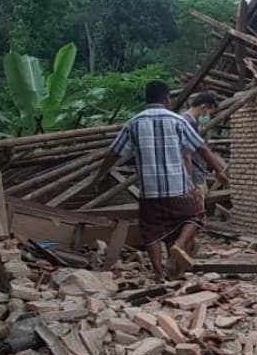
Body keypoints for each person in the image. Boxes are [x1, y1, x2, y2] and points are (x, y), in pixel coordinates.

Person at [93, 81, 230, 281]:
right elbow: (201, 147)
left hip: (149, 191)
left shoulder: (133, 123)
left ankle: (158, 274)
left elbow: (113, 152)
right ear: (167, 99)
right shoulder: (178, 121)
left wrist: (100, 175)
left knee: (151, 232)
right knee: (195, 217)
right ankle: (179, 244)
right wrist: (219, 170)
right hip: (178, 188)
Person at [181, 92, 218, 214]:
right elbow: (186, 155)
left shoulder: (191, 122)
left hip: (195, 173)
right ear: (203, 107)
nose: (207, 116)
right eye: (208, 112)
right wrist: (190, 182)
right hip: (192, 176)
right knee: (196, 213)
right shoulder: (187, 122)